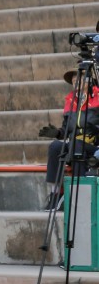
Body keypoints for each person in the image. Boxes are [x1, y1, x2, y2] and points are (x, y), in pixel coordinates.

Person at [40, 70, 99, 211]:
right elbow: (66, 130)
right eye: (73, 81)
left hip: (94, 146)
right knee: (55, 147)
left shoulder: (97, 97)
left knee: (77, 145)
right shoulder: (71, 101)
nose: (75, 82)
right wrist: (57, 133)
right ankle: (56, 195)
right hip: (75, 144)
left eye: (78, 79)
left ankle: (80, 194)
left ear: (89, 81)